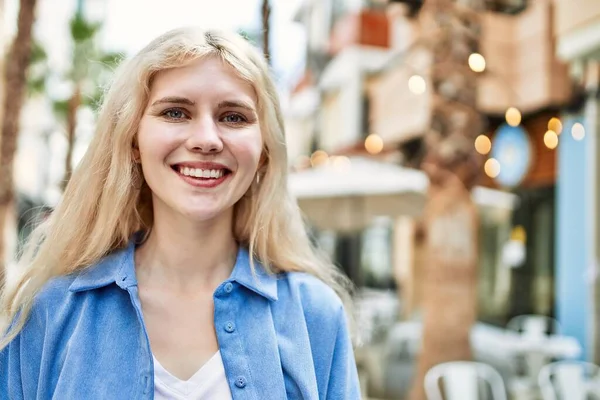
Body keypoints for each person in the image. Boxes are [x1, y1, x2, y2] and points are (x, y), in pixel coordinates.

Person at [0, 28, 361, 399]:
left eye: (234, 117)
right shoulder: (49, 310)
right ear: (133, 140)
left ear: (264, 150)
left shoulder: (316, 315)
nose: (206, 139)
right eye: (175, 112)